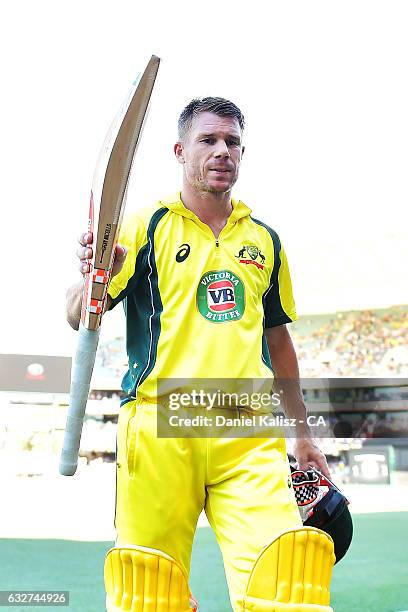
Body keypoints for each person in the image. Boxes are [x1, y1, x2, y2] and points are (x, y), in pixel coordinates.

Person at [66, 98, 335, 612]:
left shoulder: (265, 240)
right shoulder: (145, 228)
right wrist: (92, 275)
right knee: (150, 596)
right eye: (208, 140)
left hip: (245, 427)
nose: (222, 151)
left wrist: (302, 434)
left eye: (232, 142)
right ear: (180, 150)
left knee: (287, 586)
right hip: (161, 421)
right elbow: (80, 314)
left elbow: (279, 343)